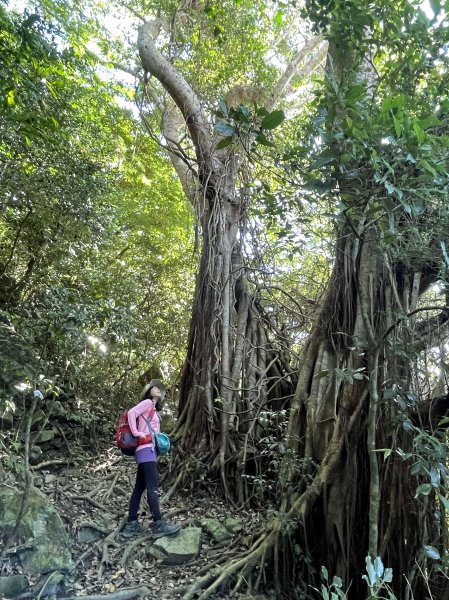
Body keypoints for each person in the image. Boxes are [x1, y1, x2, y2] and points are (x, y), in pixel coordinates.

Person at [122, 379, 180, 538]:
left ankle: (131, 523)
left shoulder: (153, 408)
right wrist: (136, 433)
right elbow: (131, 413)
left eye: (161, 389)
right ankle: (159, 523)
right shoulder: (147, 402)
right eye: (157, 388)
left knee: (139, 488)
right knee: (153, 486)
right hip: (145, 449)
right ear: (149, 389)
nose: (160, 390)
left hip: (147, 451)